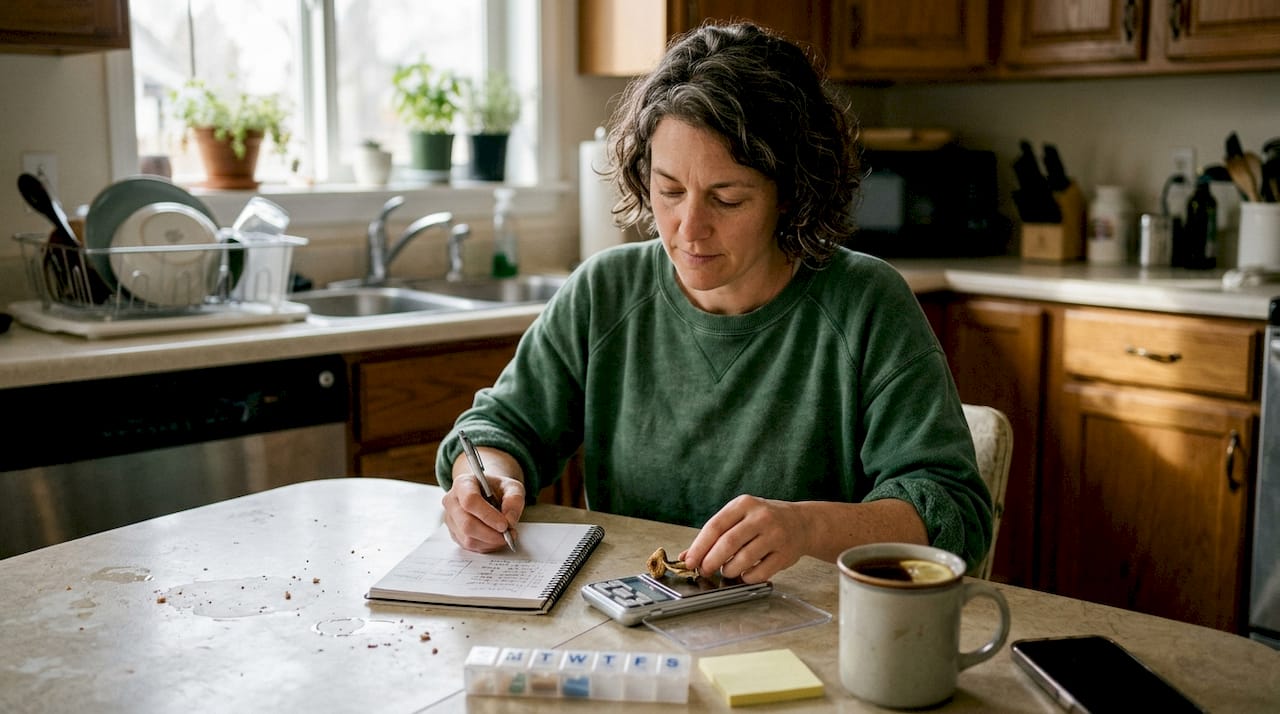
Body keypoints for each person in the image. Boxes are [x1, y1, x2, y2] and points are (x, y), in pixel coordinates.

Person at [436, 22, 992, 583]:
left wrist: (806, 528)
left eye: (727, 198)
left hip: (808, 641)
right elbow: (498, 429)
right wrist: (481, 480)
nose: (688, 229)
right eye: (670, 190)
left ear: (792, 194)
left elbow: (951, 510)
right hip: (630, 630)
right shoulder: (605, 291)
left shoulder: (866, 304)